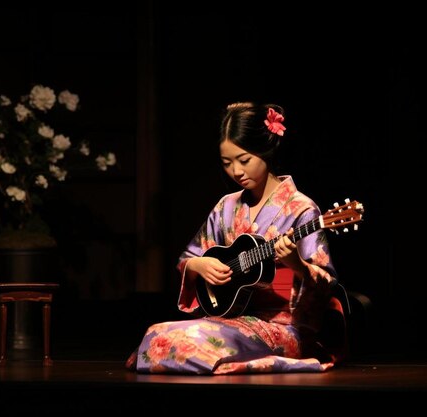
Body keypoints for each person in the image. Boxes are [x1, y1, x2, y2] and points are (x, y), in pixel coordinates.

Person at [126, 102, 348, 374]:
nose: (236, 172)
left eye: (244, 160)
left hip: (282, 326)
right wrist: (198, 266)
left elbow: (327, 282)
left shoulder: (301, 209)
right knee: (156, 334)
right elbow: (189, 258)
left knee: (186, 342)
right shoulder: (226, 206)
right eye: (227, 163)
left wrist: (297, 264)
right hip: (231, 316)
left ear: (266, 151)